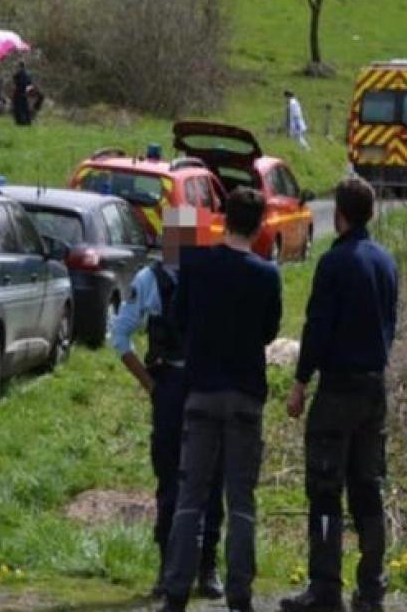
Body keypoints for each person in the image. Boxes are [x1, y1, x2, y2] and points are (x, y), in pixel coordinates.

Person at [159, 188, 282, 612]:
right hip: (245, 393)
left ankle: (176, 589)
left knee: (191, 496)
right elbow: (269, 331)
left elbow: (178, 317)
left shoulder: (196, 265)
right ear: (260, 225)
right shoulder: (267, 275)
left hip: (201, 390)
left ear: (224, 218)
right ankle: (239, 593)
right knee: (241, 500)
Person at [281, 178, 398, 612]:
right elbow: (390, 323)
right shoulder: (386, 262)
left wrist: (300, 382)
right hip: (374, 388)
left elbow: (318, 327)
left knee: (325, 489)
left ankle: (325, 586)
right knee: (368, 488)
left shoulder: (334, 264)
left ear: (340, 214)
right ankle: (372, 587)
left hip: (337, 389)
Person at [109, 206, 224, 601]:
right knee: (171, 479)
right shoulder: (149, 280)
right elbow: (120, 337)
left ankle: (207, 567)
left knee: (211, 478)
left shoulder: (211, 277)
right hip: (172, 385)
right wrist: (151, 386)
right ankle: (169, 567)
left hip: (204, 384)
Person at [12, 61, 33, 126]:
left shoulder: (18, 74)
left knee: (18, 108)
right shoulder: (28, 74)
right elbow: (30, 84)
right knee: (25, 108)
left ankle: (20, 122)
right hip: (25, 93)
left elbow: (15, 81)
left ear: (20, 66)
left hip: (18, 92)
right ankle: (28, 121)